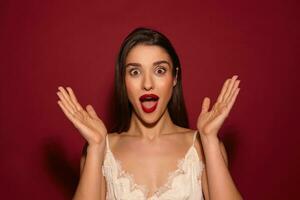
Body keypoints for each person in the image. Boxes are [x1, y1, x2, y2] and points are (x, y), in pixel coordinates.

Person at [56, 27, 243, 200]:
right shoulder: (99, 149)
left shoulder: (204, 147)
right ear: (123, 80)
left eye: (160, 70)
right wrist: (96, 147)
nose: (147, 84)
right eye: (135, 72)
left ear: (175, 77)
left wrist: (209, 139)